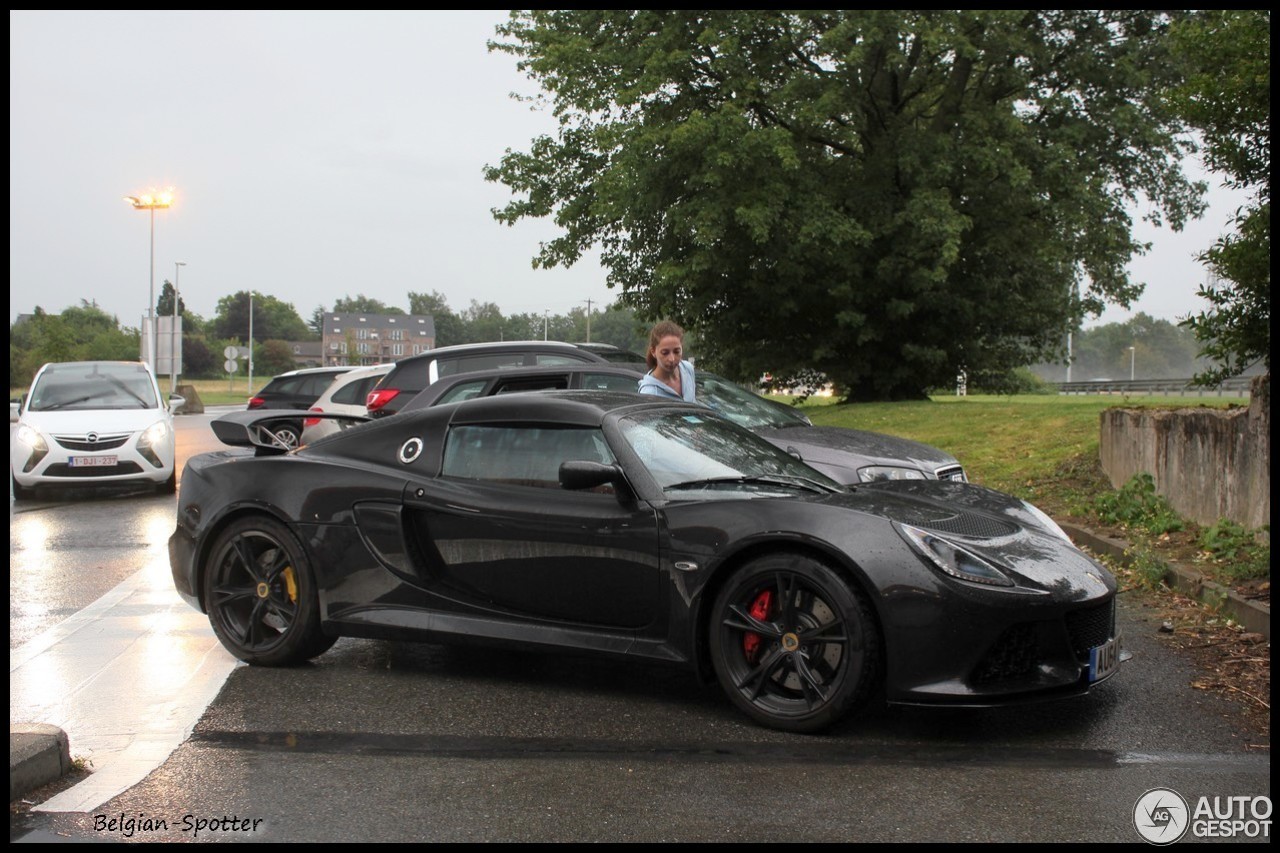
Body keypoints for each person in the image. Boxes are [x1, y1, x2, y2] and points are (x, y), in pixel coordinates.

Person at [637, 320, 697, 402]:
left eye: (676, 352)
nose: (672, 359)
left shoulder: (688, 369)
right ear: (653, 352)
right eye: (665, 353)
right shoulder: (649, 392)